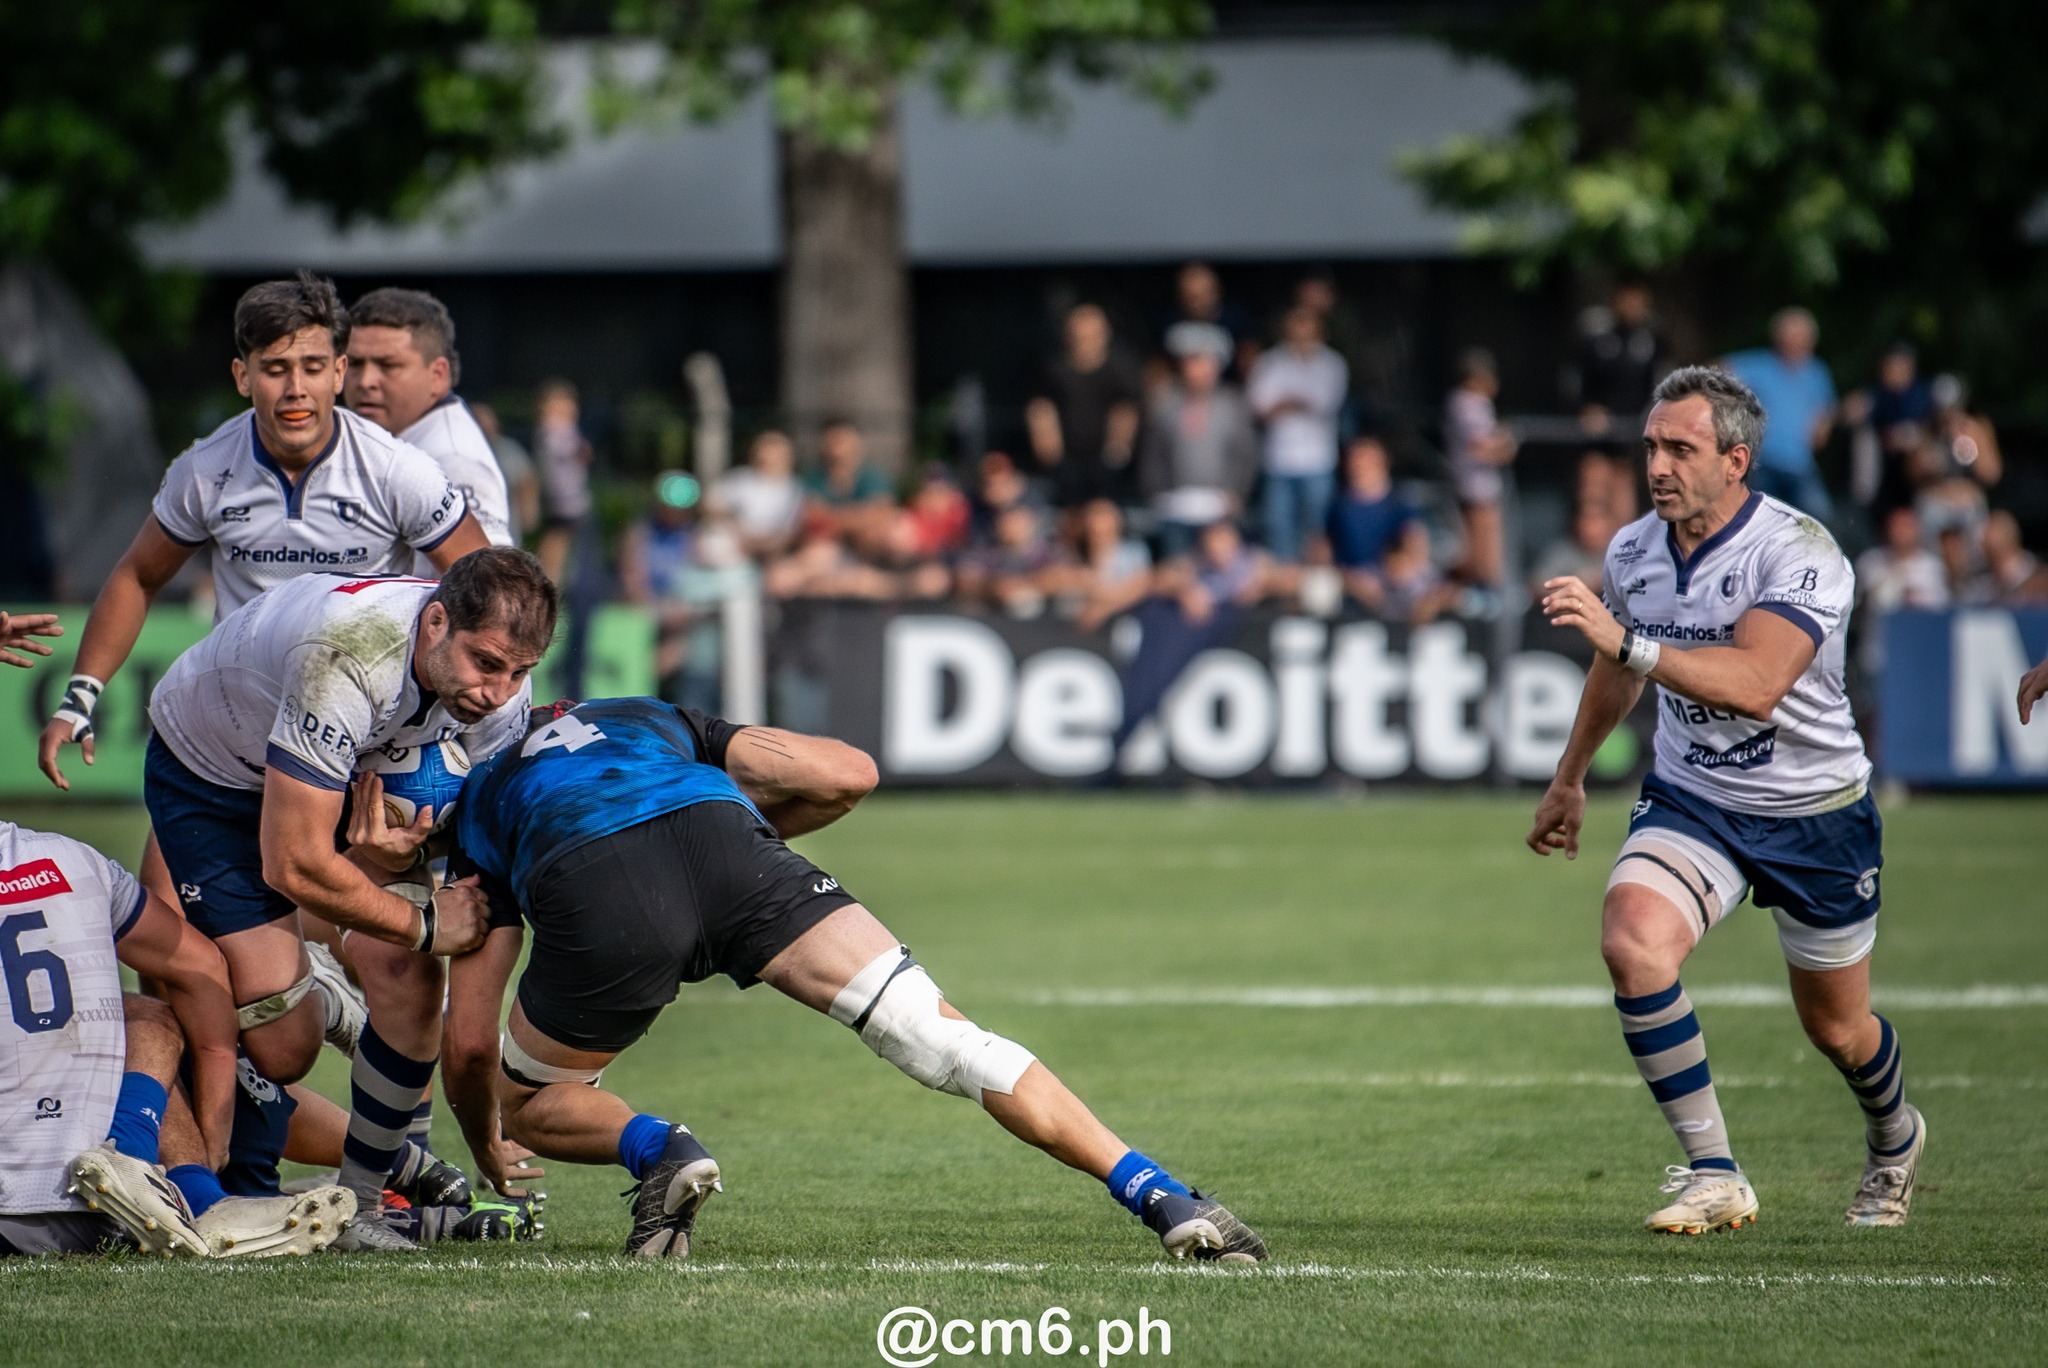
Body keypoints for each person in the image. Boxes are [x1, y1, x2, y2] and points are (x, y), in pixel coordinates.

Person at [437, 698, 1266, 1263]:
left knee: (535, 1100)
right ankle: (1164, 1196)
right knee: (948, 1041)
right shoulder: (639, 714)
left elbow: (470, 1044)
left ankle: (663, 1150)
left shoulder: (478, 798)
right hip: (729, 845)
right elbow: (848, 775)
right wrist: (747, 834)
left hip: (596, 882)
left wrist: (487, 1139)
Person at [1529, 365, 1922, 1234]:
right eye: (1651, 447)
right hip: (1696, 797)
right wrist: (1570, 775)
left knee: (1838, 1030)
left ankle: (1895, 1135)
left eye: (1681, 449)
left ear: (1736, 460)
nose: (1657, 466)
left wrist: (1627, 642)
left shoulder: (1799, 551)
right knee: (1633, 942)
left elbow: (1756, 683)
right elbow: (1615, 672)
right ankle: (1715, 1171)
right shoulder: (1634, 551)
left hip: (1815, 811)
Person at [140, 548, 557, 1251]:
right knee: (285, 1049)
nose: (498, 692)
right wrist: (423, 925)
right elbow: (291, 862)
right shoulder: (347, 655)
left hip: (346, 768)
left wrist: (403, 860)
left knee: (409, 979)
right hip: (213, 777)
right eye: (486, 663)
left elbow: (469, 850)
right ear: (435, 622)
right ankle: (327, 992)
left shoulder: (496, 689)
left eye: (519, 672)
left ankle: (363, 1206)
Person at [37, 273, 490, 793]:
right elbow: (138, 578)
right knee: (167, 853)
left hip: (356, 730)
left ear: (338, 372)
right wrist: (78, 698)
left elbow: (482, 586)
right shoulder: (205, 471)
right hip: (238, 726)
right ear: (243, 376)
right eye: (275, 369)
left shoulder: (397, 470)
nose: (296, 388)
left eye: (312, 367)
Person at [0, 820, 353, 1258]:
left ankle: (155, 1171)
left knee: (149, 1019)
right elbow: (200, 968)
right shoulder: (75, 860)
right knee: (149, 1019)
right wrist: (214, 1128)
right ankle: (195, 1193)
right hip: (93, 1212)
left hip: (22, 1209)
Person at [344, 288, 515, 576]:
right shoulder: (390, 441)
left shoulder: (455, 461)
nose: (366, 381)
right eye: (355, 364)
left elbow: (488, 589)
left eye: (388, 365)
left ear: (437, 375)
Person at [1137, 324, 1258, 559]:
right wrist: (1156, 492)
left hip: (1219, 507)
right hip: (1175, 505)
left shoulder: (1232, 405)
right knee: (1177, 566)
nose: (1195, 370)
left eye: (1202, 362)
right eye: (1189, 362)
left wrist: (1237, 492)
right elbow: (1152, 453)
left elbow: (1245, 453)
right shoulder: (1164, 405)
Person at [1248, 307, 1348, 562]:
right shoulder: (1269, 362)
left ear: (1319, 332)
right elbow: (1260, 407)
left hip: (1318, 460)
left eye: (1308, 331)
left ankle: (1314, 580)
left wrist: (1285, 401)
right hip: (1278, 459)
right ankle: (1284, 581)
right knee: (1277, 527)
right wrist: (1299, 402)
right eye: (1297, 330)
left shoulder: (1333, 363)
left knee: (1317, 529)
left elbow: (1325, 404)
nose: (1302, 336)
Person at [1025, 304, 1143, 510]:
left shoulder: (1121, 370)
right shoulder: (1054, 370)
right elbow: (1040, 410)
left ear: (1104, 335)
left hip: (1107, 465)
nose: (1084, 342)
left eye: (1090, 336)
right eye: (1078, 336)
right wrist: (1051, 454)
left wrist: (1116, 454)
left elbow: (1126, 412)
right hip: (1065, 464)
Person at [1723, 308, 1837, 519]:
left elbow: (1826, 409)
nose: (1795, 343)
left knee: (1819, 518)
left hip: (1800, 462)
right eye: (1790, 337)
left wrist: (1823, 428)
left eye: (1801, 338)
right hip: (1763, 460)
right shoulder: (1760, 365)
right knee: (1759, 517)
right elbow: (1715, 372)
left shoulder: (1816, 372)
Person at [1443, 348, 1518, 593]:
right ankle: (1478, 596)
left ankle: (1485, 594)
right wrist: (1506, 443)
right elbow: (1481, 447)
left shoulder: (1472, 402)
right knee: (1481, 555)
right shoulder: (1466, 402)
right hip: (1475, 489)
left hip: (1481, 487)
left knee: (1488, 553)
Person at [1573, 281, 1665, 435]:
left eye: (1637, 300)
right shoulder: (1597, 339)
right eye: (1627, 299)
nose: (1632, 306)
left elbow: (1661, 380)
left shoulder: (1653, 340)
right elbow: (1578, 378)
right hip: (1600, 425)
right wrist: (1587, 407)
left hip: (1640, 424)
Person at [802, 419, 897, 561]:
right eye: (832, 441)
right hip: (829, 546)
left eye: (842, 441)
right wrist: (860, 516)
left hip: (867, 544)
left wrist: (835, 519)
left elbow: (882, 513)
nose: (837, 449)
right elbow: (814, 518)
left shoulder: (873, 476)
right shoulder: (813, 479)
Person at [534, 379, 594, 586]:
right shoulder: (555, 429)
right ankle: (547, 582)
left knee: (563, 546)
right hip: (564, 498)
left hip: (568, 496)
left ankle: (552, 581)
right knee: (557, 544)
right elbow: (577, 452)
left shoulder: (560, 429)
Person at [715, 430, 805, 560]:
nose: (768, 456)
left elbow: (790, 530)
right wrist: (735, 528)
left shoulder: (795, 488)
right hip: (734, 541)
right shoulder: (740, 478)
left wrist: (762, 544)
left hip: (774, 549)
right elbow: (713, 506)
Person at [471, 402, 541, 543]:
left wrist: (529, 513)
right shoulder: (461, 452)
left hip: (507, 528)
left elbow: (525, 481)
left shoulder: (509, 451)